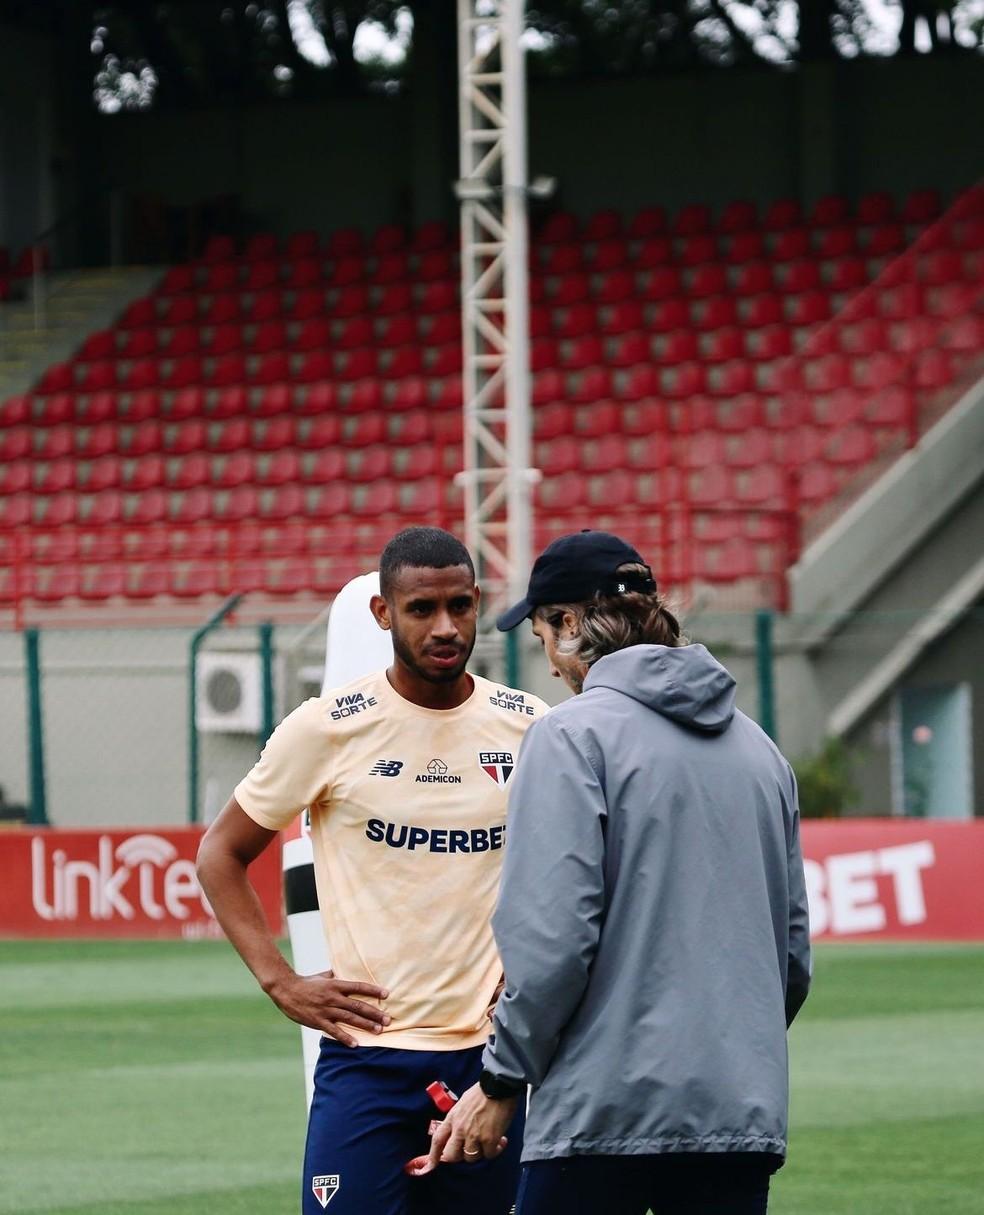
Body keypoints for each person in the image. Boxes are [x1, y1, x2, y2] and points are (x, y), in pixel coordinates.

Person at [422, 530, 812, 1215]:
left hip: (600, 1118)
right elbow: (791, 954)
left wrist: (504, 1077)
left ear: (571, 623)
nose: (547, 660)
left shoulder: (570, 735)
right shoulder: (761, 750)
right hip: (737, 1115)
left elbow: (551, 942)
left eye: (544, 630)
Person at [196, 526, 550, 1215]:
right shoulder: (327, 727)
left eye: (459, 605)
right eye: (422, 609)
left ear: (478, 602)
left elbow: (579, 872)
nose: (445, 627)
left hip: (490, 1064)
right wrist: (279, 980)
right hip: (366, 1059)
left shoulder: (531, 726)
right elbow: (221, 854)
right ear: (384, 613)